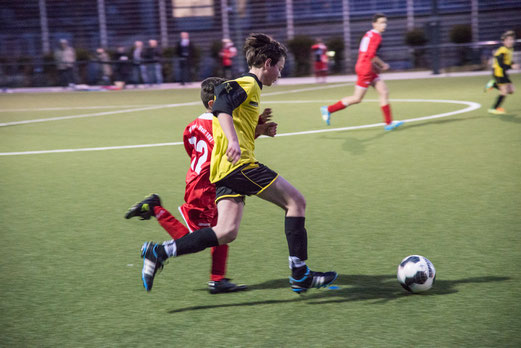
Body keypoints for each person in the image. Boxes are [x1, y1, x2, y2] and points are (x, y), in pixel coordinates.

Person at [139, 33, 337, 293]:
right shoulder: (248, 84)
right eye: (279, 67)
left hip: (223, 170)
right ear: (267, 63)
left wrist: (260, 131)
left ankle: (159, 252)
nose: (279, 73)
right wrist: (233, 141)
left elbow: (231, 120)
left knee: (225, 232)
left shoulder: (252, 89)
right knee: (296, 202)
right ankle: (300, 274)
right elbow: (221, 104)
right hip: (239, 166)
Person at [127, 76, 275, 294]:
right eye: (227, 97)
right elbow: (231, 146)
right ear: (214, 104)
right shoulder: (220, 124)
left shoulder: (194, 125)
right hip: (205, 188)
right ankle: (155, 209)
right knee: (193, 240)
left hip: (201, 179)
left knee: (222, 227)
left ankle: (218, 279)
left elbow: (192, 149)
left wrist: (256, 124)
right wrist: (259, 130)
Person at [320, 13, 403, 131]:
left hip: (366, 66)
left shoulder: (369, 34)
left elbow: (366, 54)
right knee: (357, 98)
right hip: (366, 69)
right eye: (381, 22)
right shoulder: (377, 36)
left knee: (383, 91)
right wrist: (382, 64)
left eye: (385, 22)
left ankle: (388, 123)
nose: (384, 25)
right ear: (374, 24)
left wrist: (375, 66)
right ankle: (328, 109)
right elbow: (371, 55)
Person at [484, 30, 519, 114]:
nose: (511, 41)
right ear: (504, 41)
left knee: (511, 90)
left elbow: (508, 61)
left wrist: (513, 64)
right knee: (504, 92)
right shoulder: (502, 51)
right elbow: (501, 65)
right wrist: (511, 66)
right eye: (508, 40)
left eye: (512, 39)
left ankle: (493, 84)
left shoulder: (510, 49)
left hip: (503, 72)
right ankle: (494, 108)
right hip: (498, 72)